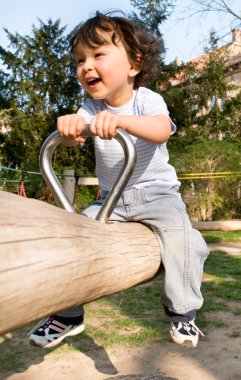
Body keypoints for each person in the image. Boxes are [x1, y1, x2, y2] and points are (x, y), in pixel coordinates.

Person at [29, 11, 209, 349]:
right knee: (73, 237)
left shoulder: (146, 100)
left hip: (158, 196)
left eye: (98, 54)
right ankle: (66, 314)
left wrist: (121, 122)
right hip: (111, 199)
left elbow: (160, 131)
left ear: (134, 64)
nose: (86, 65)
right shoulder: (91, 108)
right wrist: (69, 128)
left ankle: (183, 313)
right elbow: (75, 137)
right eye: (80, 59)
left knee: (185, 240)